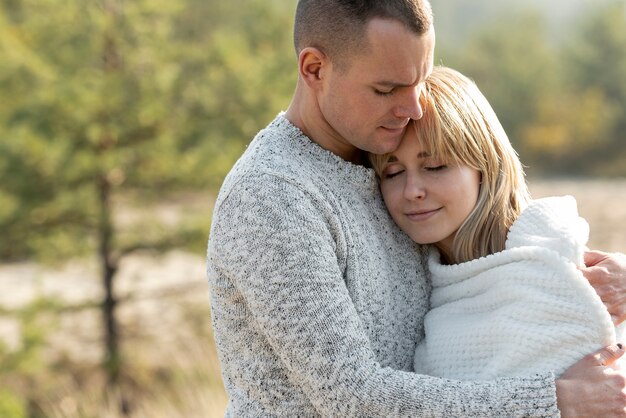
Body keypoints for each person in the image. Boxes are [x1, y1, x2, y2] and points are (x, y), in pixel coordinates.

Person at [206, 0, 626, 416]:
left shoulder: (379, 152)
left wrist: (581, 267)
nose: (413, 108)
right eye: (387, 90)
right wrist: (558, 401)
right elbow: (354, 398)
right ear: (315, 69)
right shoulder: (272, 196)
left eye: (419, 82)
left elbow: (486, 228)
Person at [370, 65, 625, 382]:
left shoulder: (559, 257)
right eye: (392, 173)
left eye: (434, 166)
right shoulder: (415, 287)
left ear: (484, 163)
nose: (412, 191)